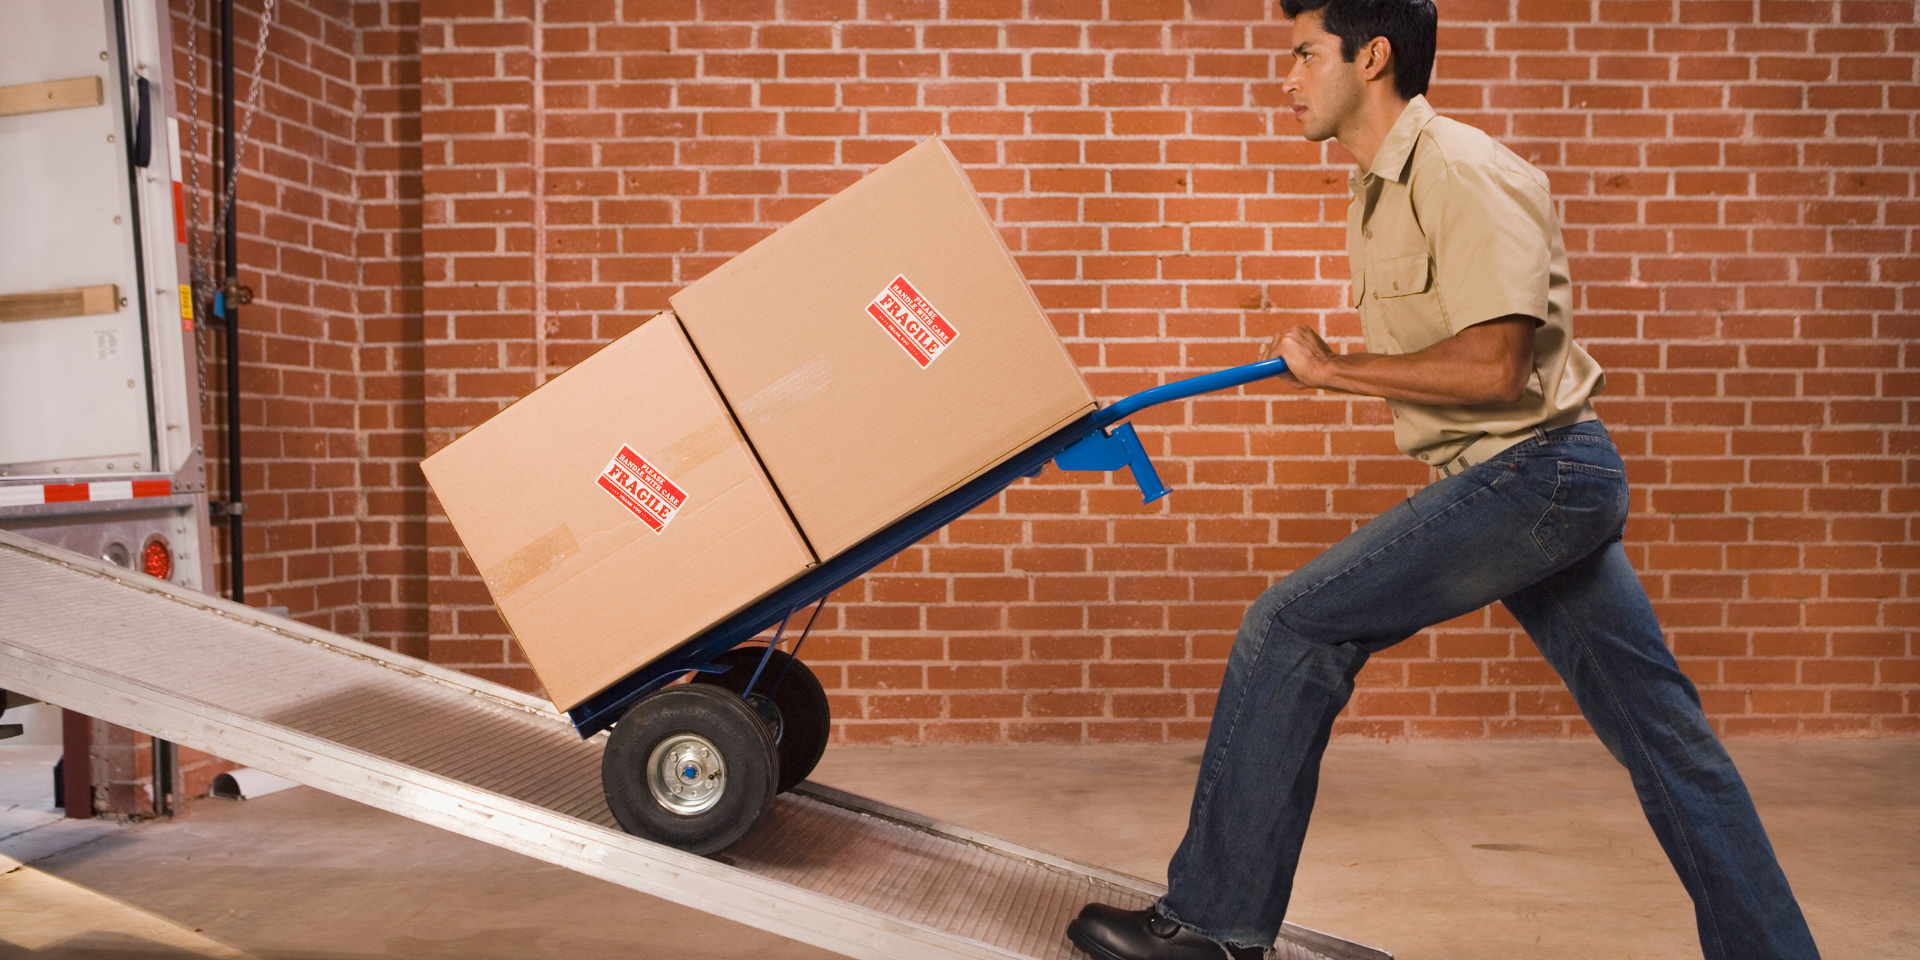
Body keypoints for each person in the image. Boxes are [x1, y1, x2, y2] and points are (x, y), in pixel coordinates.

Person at [1064, 2, 1823, 959]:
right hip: (1532, 482)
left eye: (1304, 55)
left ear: (1370, 56)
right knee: (1664, 735)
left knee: (1291, 626)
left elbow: (1498, 369)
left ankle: (1212, 929)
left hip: (1536, 476)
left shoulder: (1463, 170)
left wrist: (1337, 371)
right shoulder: (1379, 185)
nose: (1285, 78)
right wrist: (1340, 370)